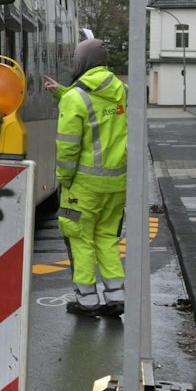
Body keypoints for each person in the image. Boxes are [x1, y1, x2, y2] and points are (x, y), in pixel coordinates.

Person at [45, 38, 128, 318]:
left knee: (80, 240)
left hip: (83, 185)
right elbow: (97, 109)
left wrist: (64, 179)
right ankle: (116, 296)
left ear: (82, 62)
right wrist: (63, 93)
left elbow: (67, 146)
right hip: (117, 183)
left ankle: (87, 301)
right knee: (107, 237)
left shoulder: (75, 99)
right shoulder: (122, 91)